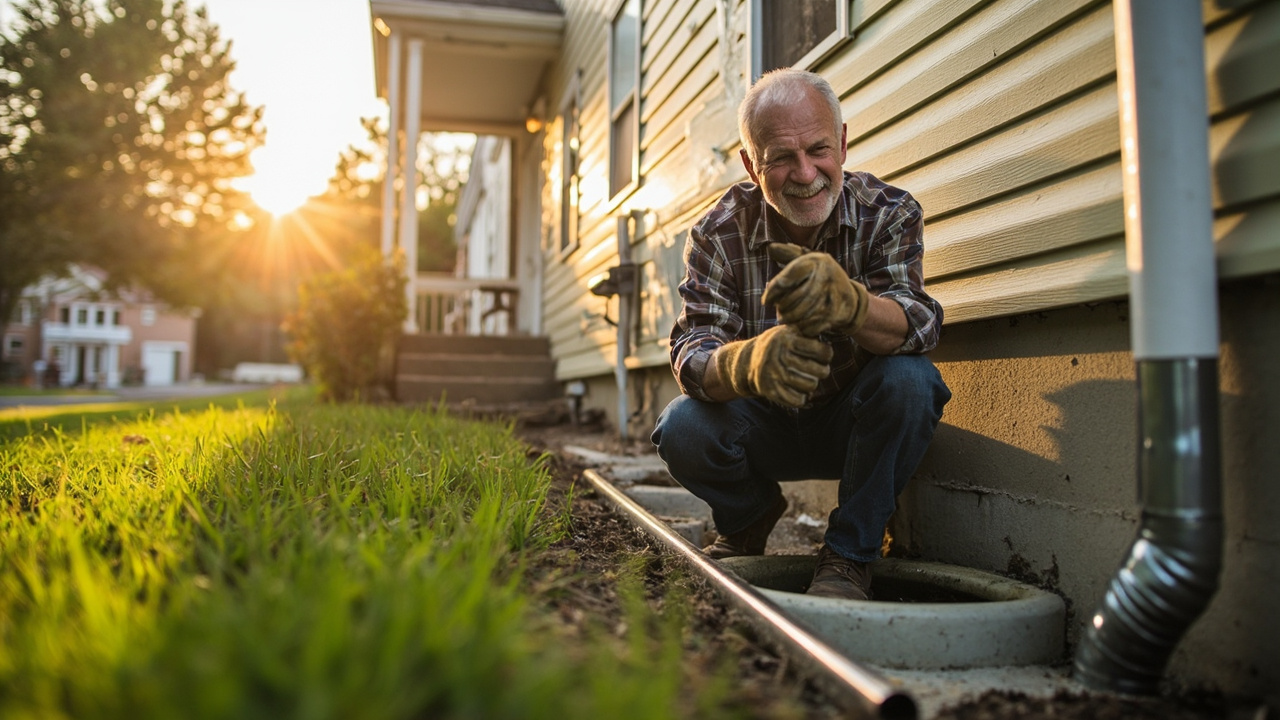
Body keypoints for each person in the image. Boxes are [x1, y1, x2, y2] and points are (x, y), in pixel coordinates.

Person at [650, 68, 951, 600]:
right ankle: (748, 517)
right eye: (781, 158)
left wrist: (854, 307)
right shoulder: (718, 231)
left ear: (842, 142)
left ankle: (850, 554)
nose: (805, 173)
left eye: (818, 150)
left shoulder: (889, 212)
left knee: (911, 381)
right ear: (750, 164)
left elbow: (917, 322)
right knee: (683, 426)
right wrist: (747, 363)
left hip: (851, 424)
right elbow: (693, 355)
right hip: (762, 427)